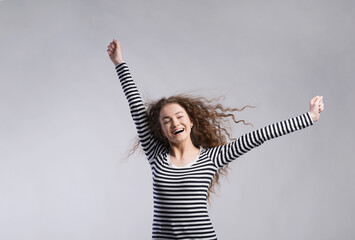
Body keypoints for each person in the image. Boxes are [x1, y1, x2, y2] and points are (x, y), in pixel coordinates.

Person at [107, 39, 324, 240]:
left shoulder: (212, 158)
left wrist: (309, 117)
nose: (175, 123)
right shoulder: (156, 156)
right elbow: (137, 109)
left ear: (191, 122)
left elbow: (260, 136)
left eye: (180, 117)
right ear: (162, 130)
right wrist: (119, 62)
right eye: (167, 121)